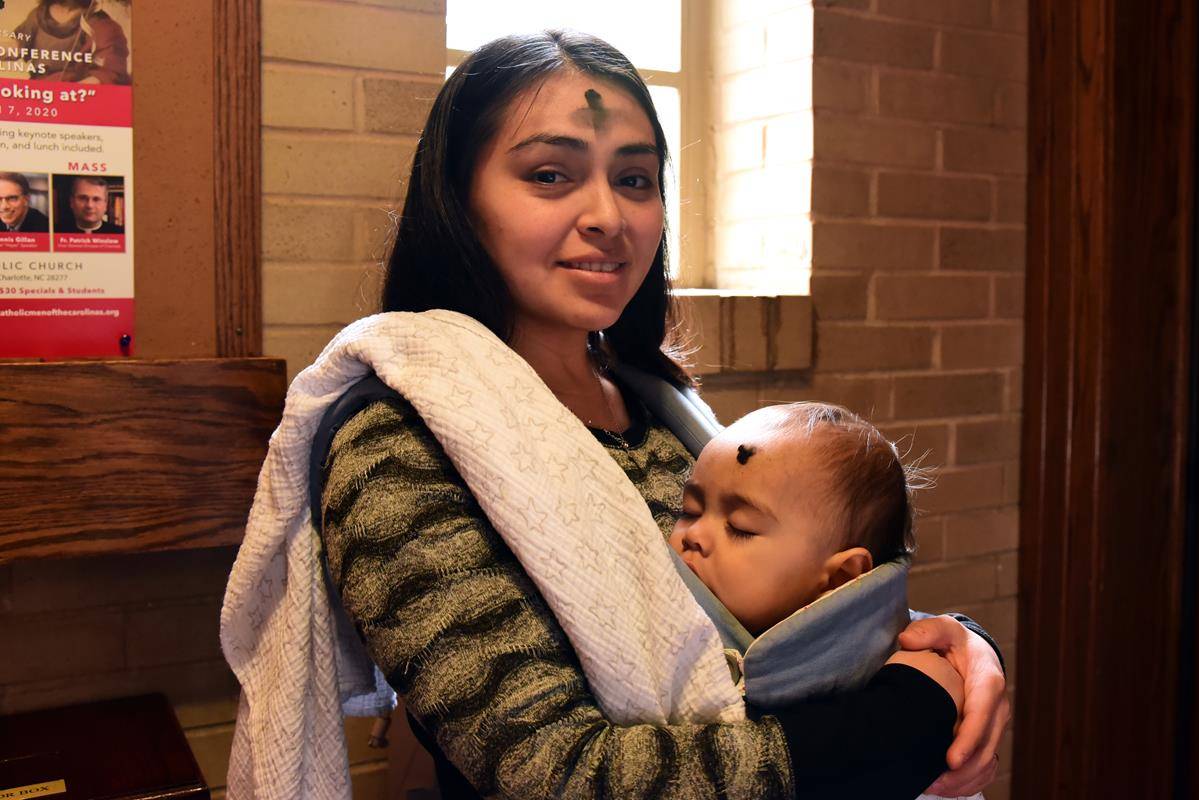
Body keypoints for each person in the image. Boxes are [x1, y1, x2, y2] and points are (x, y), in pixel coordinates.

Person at [313, 30, 1008, 799]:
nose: (609, 216)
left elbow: (792, 604)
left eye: (636, 180)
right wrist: (911, 714)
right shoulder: (399, 444)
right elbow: (560, 777)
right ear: (457, 198)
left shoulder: (657, 409)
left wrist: (960, 648)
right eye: (550, 174)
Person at [15, 0, 132, 85]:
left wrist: (69, 95)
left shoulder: (102, 25)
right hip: (40, 95)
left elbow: (110, 73)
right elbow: (17, 45)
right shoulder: (38, 15)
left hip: (80, 99)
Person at [56, 176, 122, 234]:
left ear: (106, 204)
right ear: (72, 202)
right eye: (83, 198)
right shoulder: (56, 232)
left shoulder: (121, 234)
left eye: (96, 199)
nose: (89, 205)